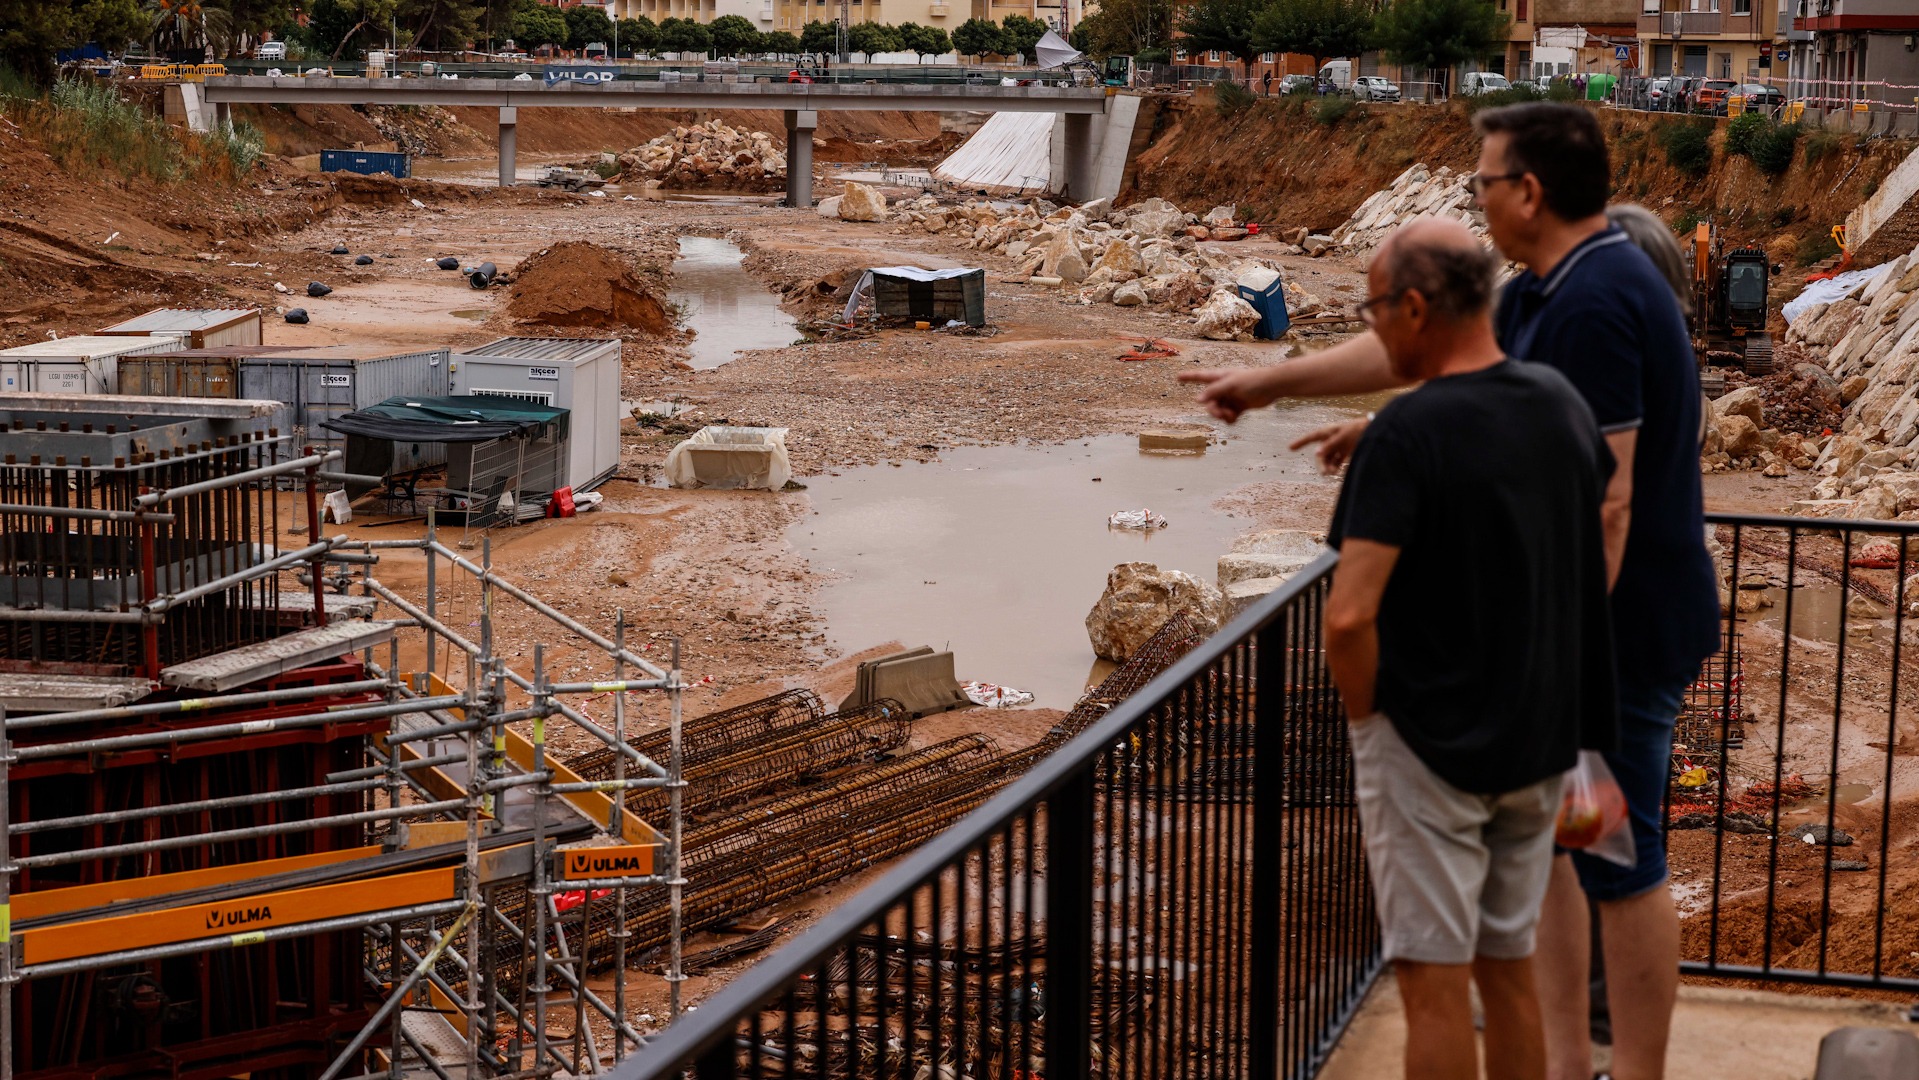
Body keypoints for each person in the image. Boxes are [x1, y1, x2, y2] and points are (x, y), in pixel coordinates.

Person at [1180, 102, 1720, 1080]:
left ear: (1527, 191)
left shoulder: (1596, 298)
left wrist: (1550, 653)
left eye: (1480, 180)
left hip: (1614, 642)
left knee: (1619, 857)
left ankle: (1630, 1071)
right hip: (1566, 660)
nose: (1474, 195)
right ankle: (1564, 1063)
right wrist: (1271, 385)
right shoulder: (1542, 291)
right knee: (1557, 860)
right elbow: (1438, 365)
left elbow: (1607, 500)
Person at [1325, 218, 1616, 1080]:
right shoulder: (1561, 404)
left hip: (1429, 748)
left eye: (1375, 308)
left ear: (1414, 308)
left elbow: (1347, 617)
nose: (1373, 327)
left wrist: (1370, 725)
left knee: (1431, 983)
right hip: (1536, 742)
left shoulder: (1406, 434)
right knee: (1508, 972)